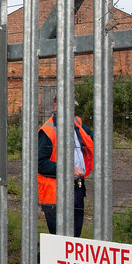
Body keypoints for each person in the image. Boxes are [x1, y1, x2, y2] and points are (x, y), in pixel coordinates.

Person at [37, 95, 93, 237]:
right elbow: (40, 163)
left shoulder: (76, 124)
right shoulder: (48, 131)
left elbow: (94, 136)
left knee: (74, 237)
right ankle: (42, 259)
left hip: (77, 188)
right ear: (55, 106)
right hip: (56, 194)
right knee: (60, 239)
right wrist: (68, 169)